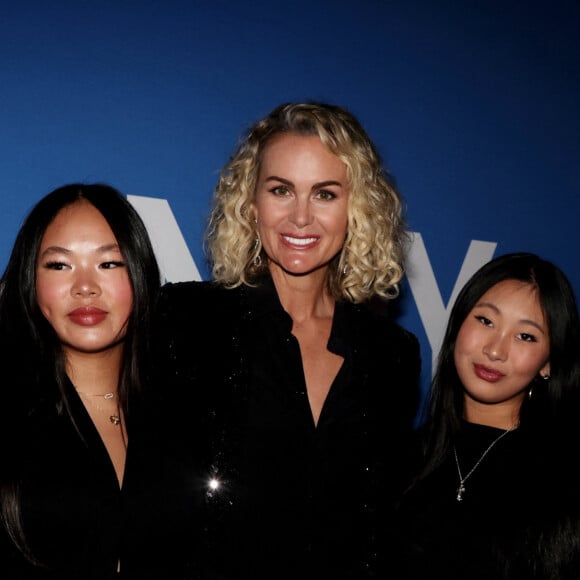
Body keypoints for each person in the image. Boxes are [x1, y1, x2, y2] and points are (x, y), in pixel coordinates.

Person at [153, 102, 421, 580]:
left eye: (324, 194)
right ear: (251, 204)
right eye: (281, 190)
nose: (301, 217)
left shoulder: (391, 354)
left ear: (355, 208)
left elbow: (385, 527)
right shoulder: (189, 320)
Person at [0, 184, 196, 579]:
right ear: (30, 281)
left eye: (109, 264)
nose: (85, 286)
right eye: (59, 265)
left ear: (140, 272)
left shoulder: (186, 413)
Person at [395, 252, 580, 579]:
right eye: (485, 320)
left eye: (526, 336)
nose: (495, 350)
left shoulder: (563, 480)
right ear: (458, 326)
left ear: (548, 362)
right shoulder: (404, 457)